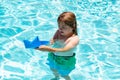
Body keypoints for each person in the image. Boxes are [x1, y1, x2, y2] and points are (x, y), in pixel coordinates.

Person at [36, 12, 79, 80]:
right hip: (53, 55)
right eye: (59, 26)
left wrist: (47, 49)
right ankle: (56, 77)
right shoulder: (58, 32)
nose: (60, 29)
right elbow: (52, 41)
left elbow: (64, 50)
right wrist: (42, 45)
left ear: (73, 26)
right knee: (53, 68)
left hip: (65, 60)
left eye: (63, 27)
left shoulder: (74, 39)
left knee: (64, 74)